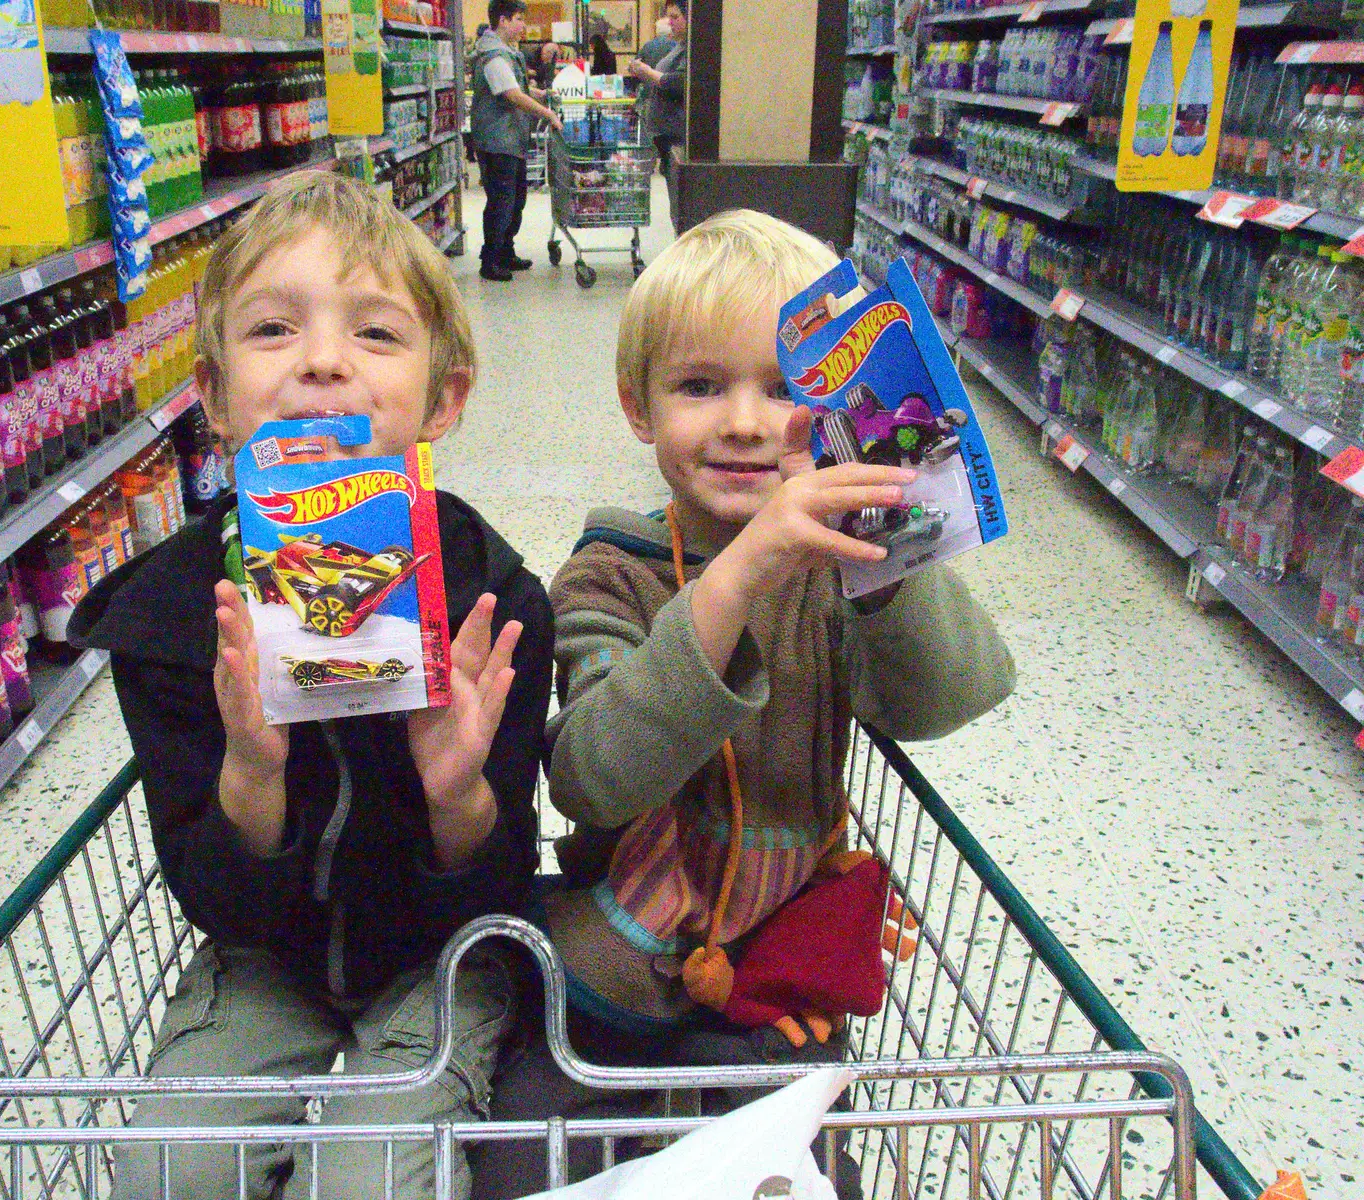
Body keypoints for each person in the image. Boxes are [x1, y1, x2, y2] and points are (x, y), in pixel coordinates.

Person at [468, 210, 1015, 1199]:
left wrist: (895, 559)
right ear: (639, 405)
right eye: (699, 386)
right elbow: (593, 778)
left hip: (778, 968)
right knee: (516, 1164)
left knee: (806, 1174)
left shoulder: (843, 567)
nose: (748, 423)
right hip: (608, 963)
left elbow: (956, 694)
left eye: (787, 390)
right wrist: (747, 568)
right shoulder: (604, 578)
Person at [68, 171, 555, 1200]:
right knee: (170, 1173)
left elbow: (505, 884)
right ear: (212, 396)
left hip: (438, 957)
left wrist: (457, 793)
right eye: (273, 331)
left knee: (371, 1179)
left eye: (376, 336)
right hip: (266, 954)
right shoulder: (168, 620)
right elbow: (212, 897)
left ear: (445, 398)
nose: (324, 361)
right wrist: (251, 774)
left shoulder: (494, 604)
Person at [470, 0, 562, 282]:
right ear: (502, 21)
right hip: (497, 140)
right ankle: (491, 260)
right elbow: (511, 94)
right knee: (501, 200)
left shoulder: (506, 52)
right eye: (519, 19)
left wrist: (538, 94)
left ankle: (506, 252)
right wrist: (547, 113)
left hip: (510, 138)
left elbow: (516, 88)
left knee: (515, 199)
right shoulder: (494, 56)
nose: (523, 25)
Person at [626, 0, 688, 176]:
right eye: (669, 17)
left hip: (675, 134)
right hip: (665, 134)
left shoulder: (689, 49)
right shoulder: (678, 46)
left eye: (675, 17)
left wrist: (647, 72)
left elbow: (678, 83)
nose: (671, 22)